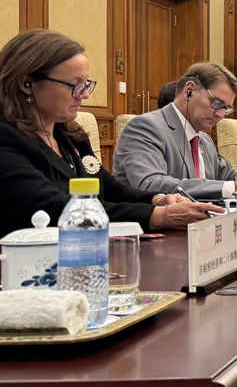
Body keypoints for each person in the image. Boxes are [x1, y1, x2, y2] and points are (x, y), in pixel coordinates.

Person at [0, 30, 219, 237]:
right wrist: (158, 216)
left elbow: (110, 188)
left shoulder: (71, 136)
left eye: (86, 85)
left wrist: (158, 200)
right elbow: (55, 207)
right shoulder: (6, 138)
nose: (84, 95)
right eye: (75, 85)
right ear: (27, 84)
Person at [114, 63, 237, 200]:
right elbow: (151, 184)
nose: (220, 115)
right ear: (189, 90)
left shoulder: (203, 138)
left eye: (226, 108)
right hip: (154, 231)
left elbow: (226, 175)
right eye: (217, 103)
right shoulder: (145, 127)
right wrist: (230, 187)